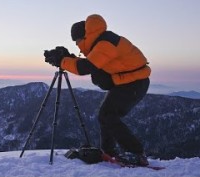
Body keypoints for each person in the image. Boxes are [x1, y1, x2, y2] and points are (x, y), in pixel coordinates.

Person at [44, 14, 151, 166]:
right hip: (126, 82)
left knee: (108, 115)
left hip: (134, 83)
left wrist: (62, 60)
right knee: (105, 115)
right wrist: (68, 57)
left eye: (77, 41)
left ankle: (136, 154)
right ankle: (109, 151)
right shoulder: (101, 42)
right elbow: (91, 62)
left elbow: (84, 67)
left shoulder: (105, 43)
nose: (78, 45)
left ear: (85, 37)